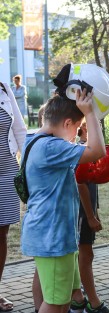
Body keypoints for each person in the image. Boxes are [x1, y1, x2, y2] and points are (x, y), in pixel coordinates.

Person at [21, 89, 106, 313]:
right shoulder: (51, 147)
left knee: (54, 293)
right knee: (57, 303)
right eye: (78, 128)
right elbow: (97, 151)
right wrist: (90, 113)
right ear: (68, 123)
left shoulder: (33, 139)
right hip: (54, 236)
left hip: (44, 232)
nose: (77, 133)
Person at [69, 121, 109, 313]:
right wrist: (90, 216)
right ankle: (93, 303)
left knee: (83, 254)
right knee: (85, 255)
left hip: (84, 212)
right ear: (84, 128)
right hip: (80, 213)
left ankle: (77, 297)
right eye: (95, 127)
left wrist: (95, 211)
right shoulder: (81, 150)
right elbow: (81, 185)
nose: (100, 131)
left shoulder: (85, 149)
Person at [0, 81, 27, 312]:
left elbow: (19, 129)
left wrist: (28, 165)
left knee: (1, 233)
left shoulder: (3, 88)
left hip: (7, 170)